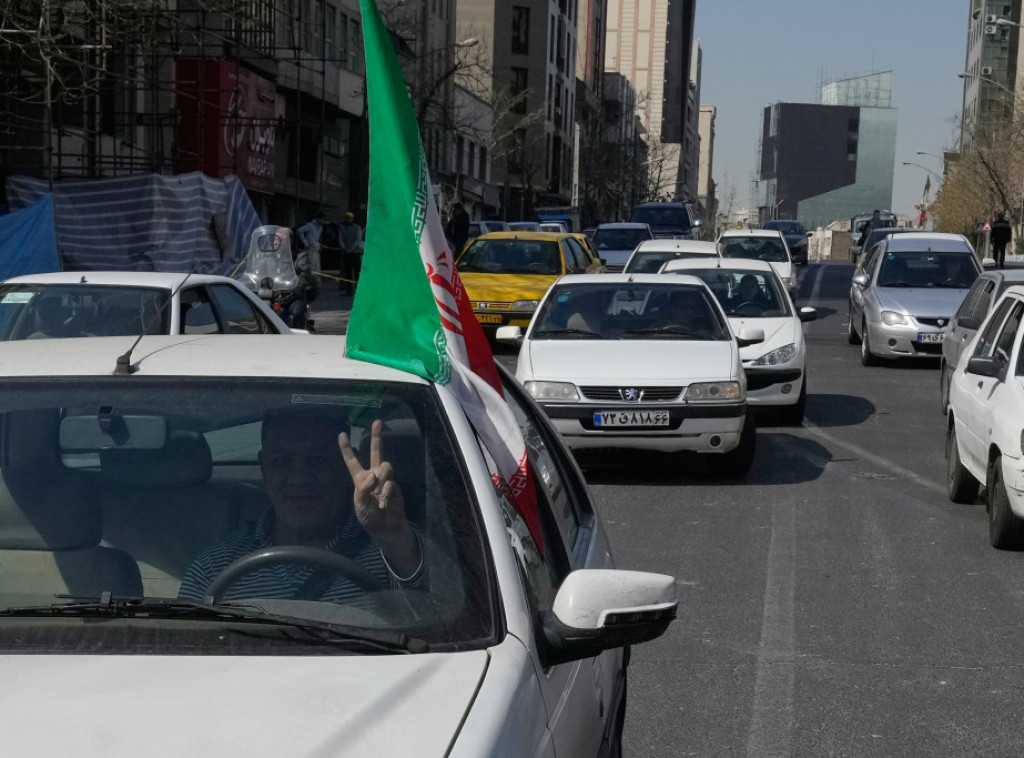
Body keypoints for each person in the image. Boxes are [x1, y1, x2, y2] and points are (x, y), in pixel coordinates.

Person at [179, 414, 430, 603]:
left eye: (318, 460)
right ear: (264, 469)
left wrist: (393, 537)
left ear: (346, 467)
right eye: (282, 461)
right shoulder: (215, 565)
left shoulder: (393, 550)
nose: (300, 478)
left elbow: (440, 615)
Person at [338, 212, 364, 294]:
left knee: (357, 272)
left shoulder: (357, 228)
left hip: (355, 253)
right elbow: (340, 238)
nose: (348, 219)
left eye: (349, 218)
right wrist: (344, 247)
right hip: (346, 253)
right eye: (347, 218)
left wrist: (351, 249)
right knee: (347, 272)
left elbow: (358, 239)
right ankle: (349, 289)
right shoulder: (342, 228)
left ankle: (359, 289)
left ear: (353, 219)